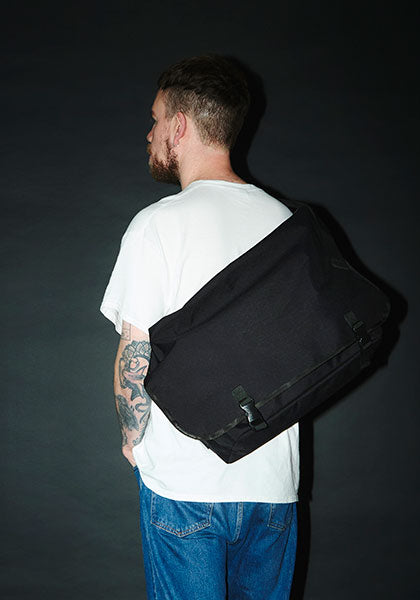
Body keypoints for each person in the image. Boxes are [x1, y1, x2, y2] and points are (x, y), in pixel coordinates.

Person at [100, 55, 299, 600]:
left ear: (180, 125)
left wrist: (132, 439)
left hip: (185, 482)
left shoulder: (157, 224)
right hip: (272, 486)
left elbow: (136, 349)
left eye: (156, 119)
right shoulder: (286, 223)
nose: (150, 133)